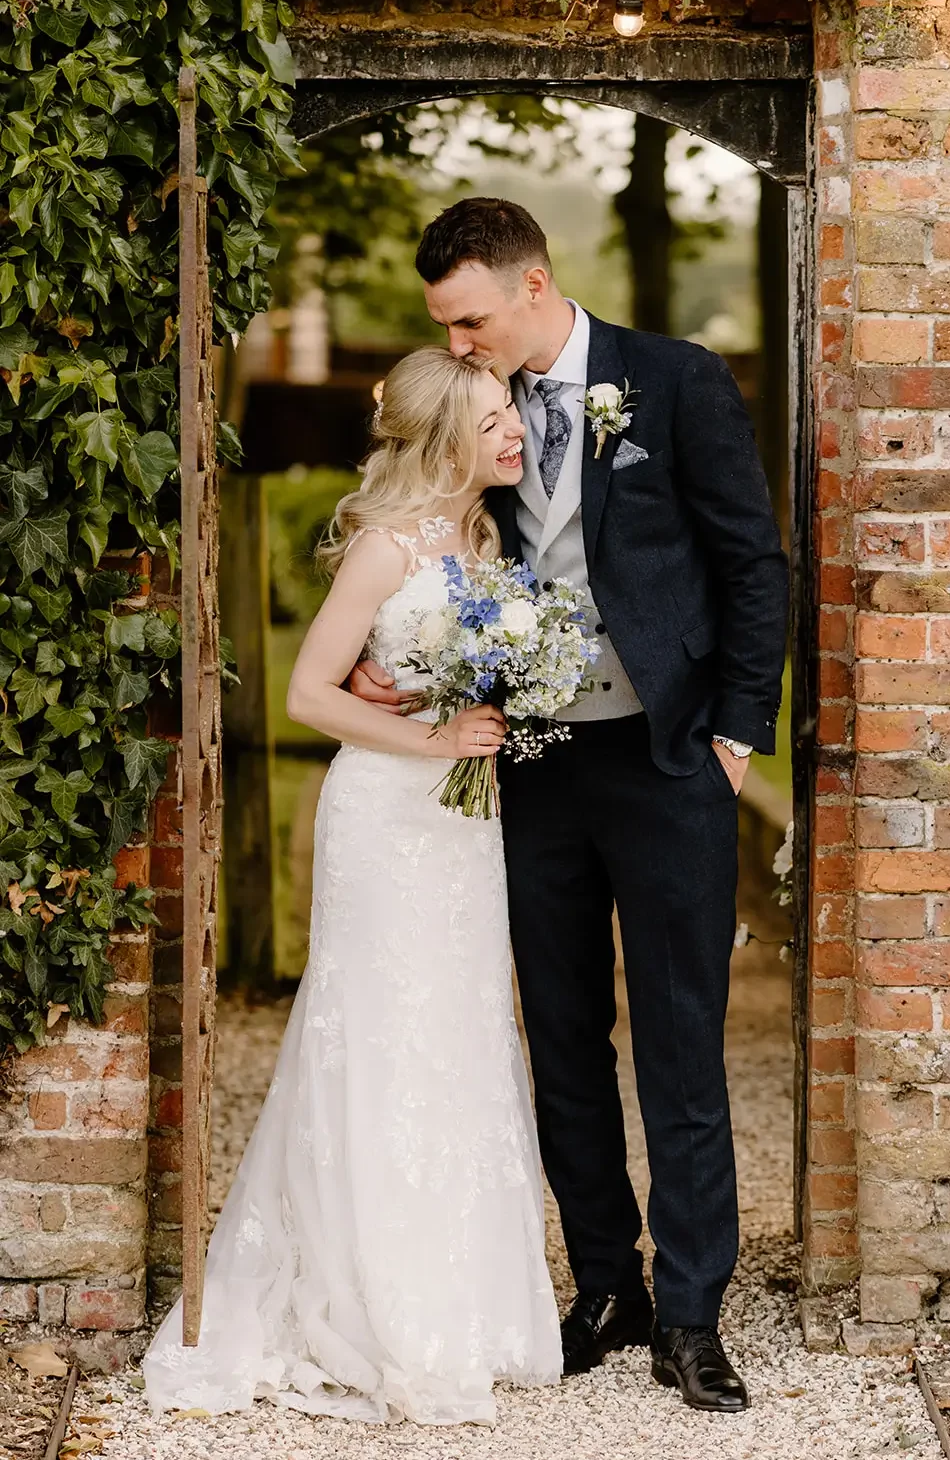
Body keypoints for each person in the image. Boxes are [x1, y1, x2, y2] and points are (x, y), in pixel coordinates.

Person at [350, 198, 789, 1413]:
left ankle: (694, 1313)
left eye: (472, 318)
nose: (460, 343)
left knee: (681, 1042)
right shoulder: (463, 412)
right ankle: (606, 1286)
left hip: (666, 764)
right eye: (444, 324)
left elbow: (751, 561)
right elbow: (414, 557)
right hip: (531, 768)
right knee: (561, 1041)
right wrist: (394, 672)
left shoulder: (673, 379)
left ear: (534, 284)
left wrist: (737, 731)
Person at [142, 347, 562, 1426]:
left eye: (510, 408)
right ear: (442, 439)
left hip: (459, 831)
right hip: (383, 814)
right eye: (493, 415)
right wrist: (432, 734)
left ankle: (460, 1306)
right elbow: (309, 694)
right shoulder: (384, 549)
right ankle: (371, 1307)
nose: (514, 425)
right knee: (378, 1032)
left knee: (460, 1030)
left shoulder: (481, 536)